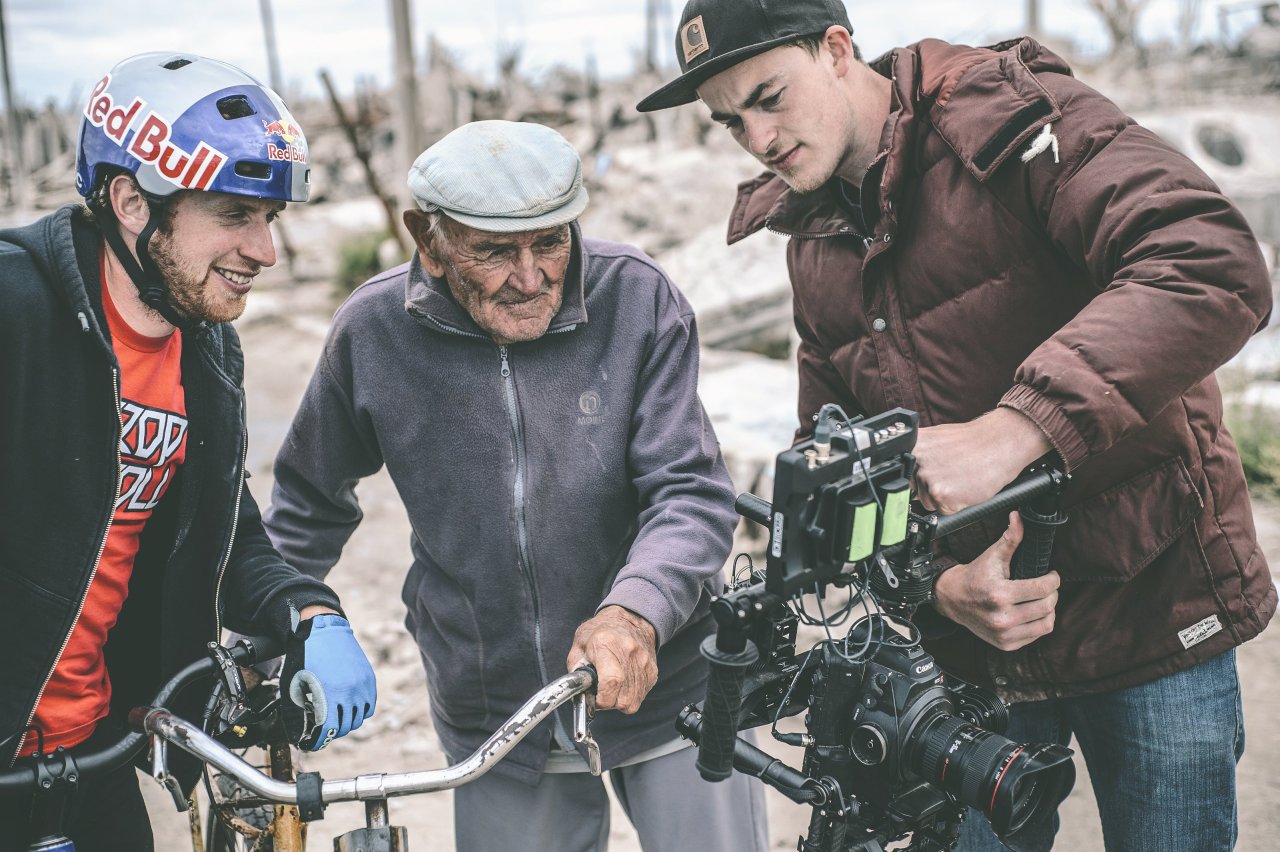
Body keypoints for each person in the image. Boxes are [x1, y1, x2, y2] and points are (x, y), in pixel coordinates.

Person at [638, 2, 1275, 850]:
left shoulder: (1009, 114)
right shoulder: (812, 234)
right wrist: (937, 585)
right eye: (730, 122)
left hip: (1148, 601)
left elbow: (1210, 262)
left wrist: (1018, 428)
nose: (757, 139)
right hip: (974, 656)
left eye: (768, 97)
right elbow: (836, 467)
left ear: (835, 51)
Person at [263, 119, 768, 851]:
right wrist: (277, 622)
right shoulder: (371, 331)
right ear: (428, 241)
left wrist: (636, 613)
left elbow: (688, 489)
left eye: (552, 241)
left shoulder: (637, 299)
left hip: (670, 676)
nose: (531, 277)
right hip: (496, 700)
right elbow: (306, 505)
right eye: (496, 250)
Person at [0, 53, 377, 851]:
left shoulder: (203, 350)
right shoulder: (16, 311)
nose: (265, 251)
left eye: (270, 219)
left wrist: (309, 613)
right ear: (132, 202)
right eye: (236, 214)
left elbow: (227, 532)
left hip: (87, 751)